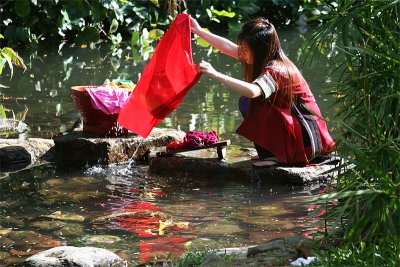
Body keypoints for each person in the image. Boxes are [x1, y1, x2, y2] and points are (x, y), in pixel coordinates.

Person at [190, 16, 335, 166]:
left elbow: (253, 91)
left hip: (307, 137)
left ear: (259, 50)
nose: (242, 53)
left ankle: (277, 156)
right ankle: (273, 153)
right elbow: (229, 47)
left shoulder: (276, 69)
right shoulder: (266, 57)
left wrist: (217, 75)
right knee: (248, 101)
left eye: (245, 50)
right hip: (296, 128)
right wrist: (198, 30)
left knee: (247, 101)